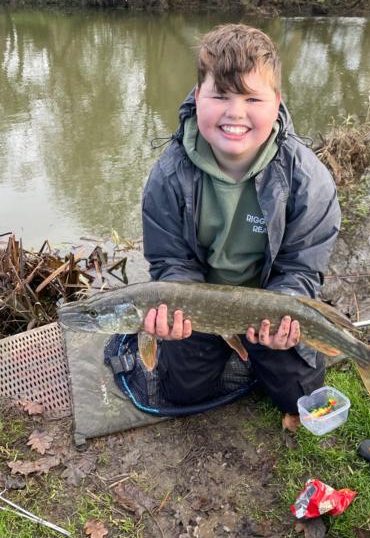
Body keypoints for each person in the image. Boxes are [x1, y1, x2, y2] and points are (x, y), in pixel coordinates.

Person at [141, 23, 340, 435]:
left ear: (277, 103)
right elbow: (170, 263)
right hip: (198, 305)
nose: (235, 113)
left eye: (252, 98)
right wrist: (175, 310)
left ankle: (265, 353)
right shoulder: (167, 176)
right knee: (182, 391)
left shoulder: (308, 179)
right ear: (197, 97)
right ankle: (219, 349)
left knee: (301, 397)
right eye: (220, 96)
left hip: (273, 303)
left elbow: (301, 269)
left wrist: (287, 310)